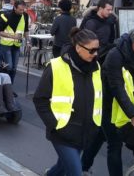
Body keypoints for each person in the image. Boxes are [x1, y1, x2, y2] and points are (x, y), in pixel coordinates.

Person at [81, 26, 134, 176]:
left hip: (130, 102)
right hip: (107, 103)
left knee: (101, 135)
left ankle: (82, 167)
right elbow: (117, 88)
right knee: (115, 143)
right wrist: (133, 115)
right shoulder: (115, 55)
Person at [33, 28, 102, 176]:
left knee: (63, 167)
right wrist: (55, 125)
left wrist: (95, 126)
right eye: (92, 50)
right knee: (75, 172)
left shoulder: (96, 68)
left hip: (85, 132)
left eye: (97, 49)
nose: (96, 54)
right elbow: (40, 99)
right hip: (62, 132)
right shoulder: (55, 66)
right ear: (78, 48)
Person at [0, 0, 29, 83]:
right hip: (5, 45)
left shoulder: (25, 16)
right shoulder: (6, 16)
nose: (22, 11)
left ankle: (9, 87)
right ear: (14, 7)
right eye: (20, 9)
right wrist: (12, 36)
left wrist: (28, 42)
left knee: (14, 68)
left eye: (23, 9)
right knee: (9, 67)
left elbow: (26, 30)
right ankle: (4, 84)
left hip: (16, 45)